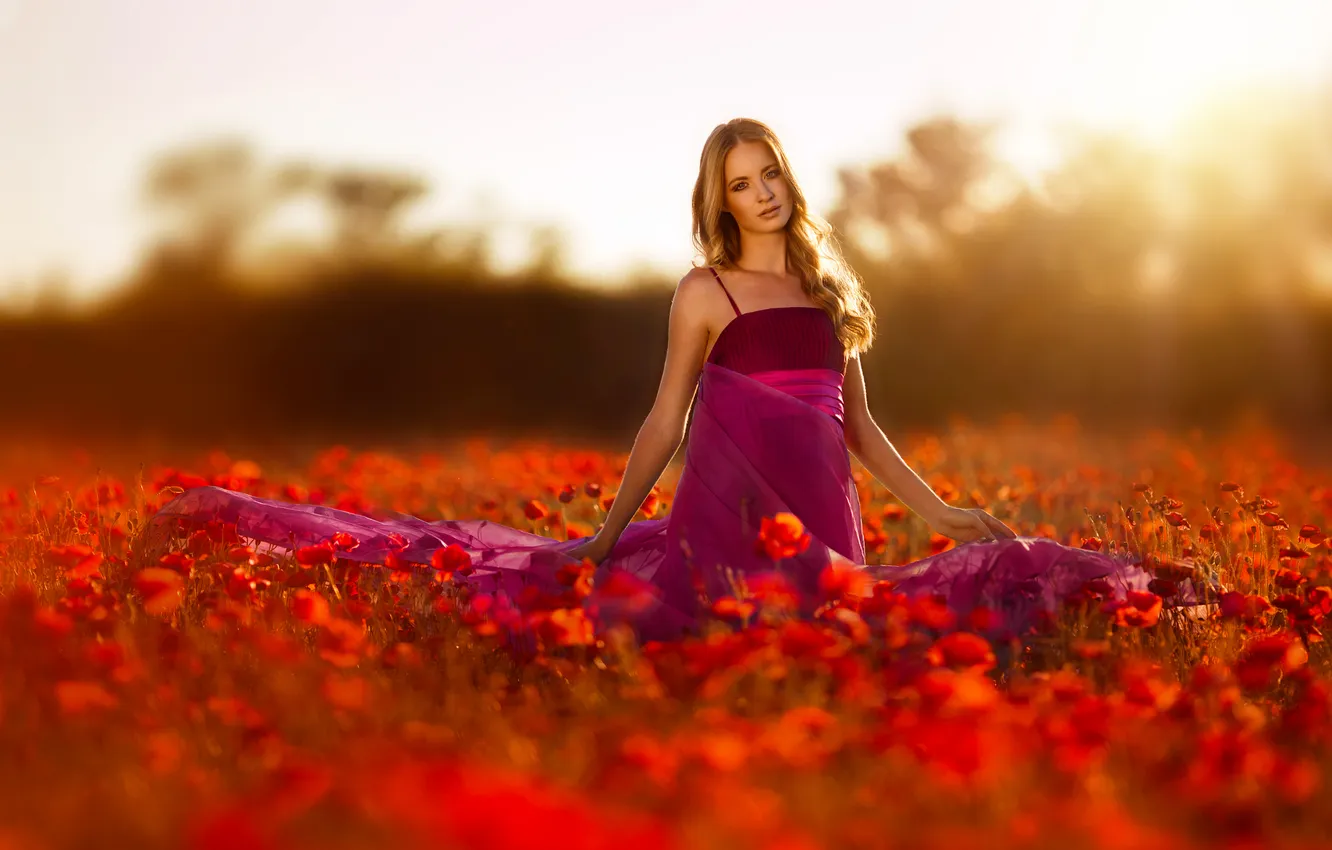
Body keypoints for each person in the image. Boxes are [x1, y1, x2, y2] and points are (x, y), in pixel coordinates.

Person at [147, 118, 1164, 642]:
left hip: (829, 520)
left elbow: (860, 427)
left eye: (772, 175)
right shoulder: (704, 291)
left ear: (788, 181)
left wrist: (938, 510)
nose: (763, 193)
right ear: (718, 199)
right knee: (613, 602)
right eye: (742, 183)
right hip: (727, 530)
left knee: (921, 597)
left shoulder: (824, 283)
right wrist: (600, 533)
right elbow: (663, 423)